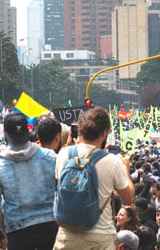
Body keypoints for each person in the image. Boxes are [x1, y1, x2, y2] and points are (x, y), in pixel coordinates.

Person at [53, 107, 134, 250]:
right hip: (100, 237)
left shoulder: (63, 154)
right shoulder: (112, 161)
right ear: (104, 133)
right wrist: (125, 169)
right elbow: (128, 199)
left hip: (67, 234)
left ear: (80, 131)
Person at [0, 112, 58, 250]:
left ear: (5, 134)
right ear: (29, 131)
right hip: (50, 227)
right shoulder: (51, 157)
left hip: (18, 233)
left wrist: (8, 229)